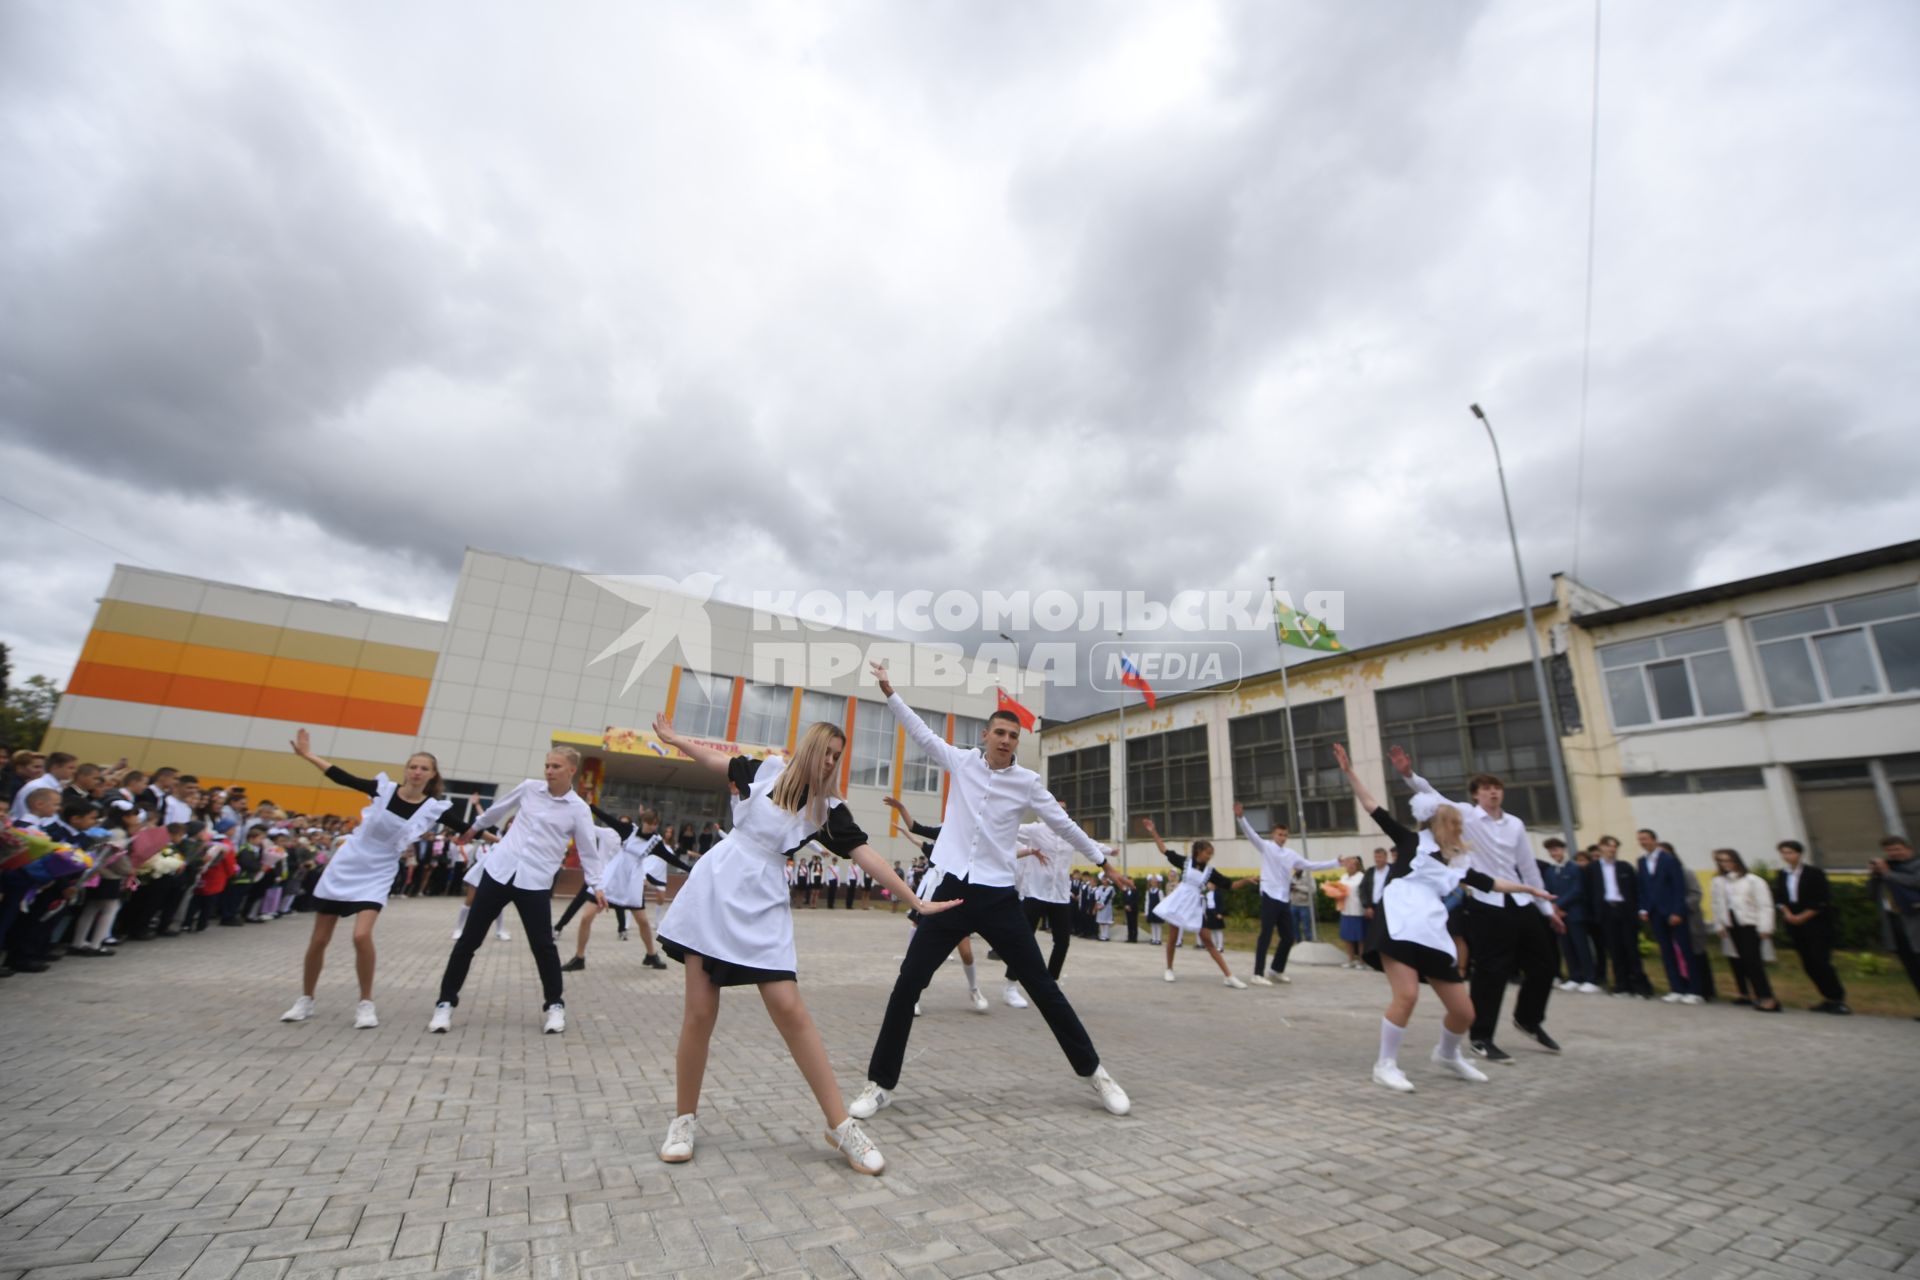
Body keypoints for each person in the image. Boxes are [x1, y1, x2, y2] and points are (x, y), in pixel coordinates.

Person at [650, 713, 947, 1175]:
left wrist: (914, 899)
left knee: (790, 1009)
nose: (830, 761)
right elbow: (715, 759)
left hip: (763, 902)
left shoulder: (827, 811)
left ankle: (840, 1125)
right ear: (809, 748)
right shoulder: (764, 772)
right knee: (701, 1012)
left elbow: (866, 855)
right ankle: (683, 1120)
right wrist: (673, 740)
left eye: (837, 756)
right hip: (715, 890)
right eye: (825, 751)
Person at [848, 662, 1135, 1124]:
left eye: (1012, 735)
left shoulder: (1028, 783)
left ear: (1017, 743)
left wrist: (1104, 862)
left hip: (1000, 897)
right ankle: (880, 1085)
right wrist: (890, 693)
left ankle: (1096, 1073)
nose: (1005, 740)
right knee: (908, 983)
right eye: (999, 732)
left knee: (1043, 987)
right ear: (985, 736)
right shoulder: (960, 762)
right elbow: (922, 734)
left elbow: (1063, 825)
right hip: (951, 891)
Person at [1335, 745, 1553, 1093]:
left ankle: (1447, 1055)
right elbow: (1372, 805)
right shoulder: (1408, 841)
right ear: (1439, 823)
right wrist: (1349, 772)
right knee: (1406, 996)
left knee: (1464, 1012)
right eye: (1455, 823)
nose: (1460, 829)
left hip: (1432, 929)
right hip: (1398, 922)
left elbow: (1490, 882)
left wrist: (1531, 889)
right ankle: (1385, 1064)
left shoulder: (1457, 862)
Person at [279, 730, 467, 1029]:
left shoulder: (433, 808)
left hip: (379, 870)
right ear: (406, 769)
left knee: (361, 936)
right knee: (319, 940)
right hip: (348, 863)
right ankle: (305, 999)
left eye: (424, 768)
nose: (417, 772)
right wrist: (307, 755)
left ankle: (366, 1004)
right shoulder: (383, 789)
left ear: (433, 776)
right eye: (413, 766)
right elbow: (342, 776)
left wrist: (509, 841)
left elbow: (471, 828)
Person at [1388, 747, 1564, 1062]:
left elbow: (1528, 866)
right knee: (1492, 971)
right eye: (1485, 789)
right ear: (1476, 795)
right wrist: (1407, 774)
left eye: (1496, 788)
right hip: (1486, 902)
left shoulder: (1515, 825)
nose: (1492, 793)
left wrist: (1547, 907)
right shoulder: (1467, 815)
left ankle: (1528, 1018)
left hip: (1520, 900)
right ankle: (1482, 1037)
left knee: (1545, 964)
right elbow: (1432, 794)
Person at [429, 748, 607, 1036]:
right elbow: (497, 810)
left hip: (534, 880)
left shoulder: (578, 809)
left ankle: (554, 1006)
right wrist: (473, 829)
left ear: (571, 770)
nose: (549, 770)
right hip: (499, 871)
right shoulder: (528, 788)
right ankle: (445, 1003)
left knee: (543, 946)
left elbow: (588, 851)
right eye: (547, 765)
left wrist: (597, 886)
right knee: (469, 940)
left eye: (556, 766)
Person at [883, 796, 990, 1015]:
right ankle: (912, 996)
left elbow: (1001, 853)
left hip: (959, 898)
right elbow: (916, 827)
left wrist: (1026, 852)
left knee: (967, 953)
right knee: (923, 954)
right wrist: (902, 807)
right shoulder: (946, 831)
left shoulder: (979, 834)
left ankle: (974, 989)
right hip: (935, 895)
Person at [569, 804, 688, 972]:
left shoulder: (655, 843)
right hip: (611, 878)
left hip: (631, 883)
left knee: (643, 922)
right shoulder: (628, 830)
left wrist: (692, 869)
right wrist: (589, 806)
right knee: (586, 917)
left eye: (654, 824)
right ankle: (579, 958)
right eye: (648, 823)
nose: (651, 827)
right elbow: (606, 818)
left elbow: (672, 859)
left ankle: (651, 955)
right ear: (643, 821)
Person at [1233, 803, 1340, 986]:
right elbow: (1251, 835)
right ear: (1273, 834)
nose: (1282, 838)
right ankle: (1257, 973)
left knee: (1289, 936)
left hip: (1283, 898)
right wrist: (1241, 818)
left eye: (1285, 835)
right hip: (1269, 894)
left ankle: (1276, 970)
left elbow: (1310, 865)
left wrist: (1335, 862)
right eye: (1279, 834)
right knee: (1265, 934)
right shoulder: (1266, 847)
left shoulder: (1291, 854)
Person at [1145, 818, 1246, 988]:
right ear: (1199, 851)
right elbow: (1164, 850)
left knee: (1207, 940)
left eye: (1211, 854)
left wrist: (1247, 881)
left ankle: (1229, 976)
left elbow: (1231, 884)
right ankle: (1169, 969)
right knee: (1173, 936)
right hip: (1179, 901)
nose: (1210, 856)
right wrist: (1153, 831)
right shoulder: (1185, 862)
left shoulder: (1210, 871)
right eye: (1208, 853)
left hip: (1194, 905)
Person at [1772, 840, 1849, 1014]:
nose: (1787, 856)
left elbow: (1821, 900)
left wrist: (1803, 916)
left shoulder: (1814, 873)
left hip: (1815, 922)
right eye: (1783, 853)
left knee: (1820, 960)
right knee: (1808, 963)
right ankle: (1826, 997)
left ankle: (1837, 998)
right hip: (1794, 921)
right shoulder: (1783, 874)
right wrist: (1787, 913)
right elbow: (1779, 898)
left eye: (1790, 852)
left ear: (1799, 854)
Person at [1709, 849, 1780, 1013]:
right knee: (1741, 962)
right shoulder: (1719, 881)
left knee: (1753, 962)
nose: (1725, 864)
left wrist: (1765, 927)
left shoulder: (1753, 880)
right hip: (1731, 925)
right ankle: (1753, 995)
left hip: (1750, 924)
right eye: (1721, 861)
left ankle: (1768, 998)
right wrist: (1719, 925)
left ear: (1736, 861)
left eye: (1728, 860)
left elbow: (1765, 905)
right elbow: (1717, 904)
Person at [1635, 830, 1701, 1004]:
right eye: (1640, 840)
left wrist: (1678, 911)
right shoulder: (1642, 862)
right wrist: (1643, 909)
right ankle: (1676, 987)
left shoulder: (1668, 859)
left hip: (1672, 911)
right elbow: (1643, 887)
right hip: (1655, 912)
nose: (1643, 842)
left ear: (1654, 840)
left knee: (1685, 950)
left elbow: (1679, 887)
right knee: (1666, 951)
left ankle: (1694, 989)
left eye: (1646, 839)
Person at [1587, 838, 1649, 997]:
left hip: (1625, 910)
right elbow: (1588, 892)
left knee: (1631, 949)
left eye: (1615, 846)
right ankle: (1621, 985)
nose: (1612, 849)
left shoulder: (1625, 867)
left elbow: (1636, 889)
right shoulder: (1592, 869)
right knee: (1615, 950)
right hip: (1606, 911)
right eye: (1608, 846)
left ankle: (1640, 986)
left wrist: (1638, 909)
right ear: (1600, 847)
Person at [1867, 836, 1920, 1016]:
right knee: (1912, 966)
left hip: (1915, 921)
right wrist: (1875, 874)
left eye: (1897, 849)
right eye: (1889, 850)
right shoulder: (1888, 868)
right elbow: (1872, 894)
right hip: (1894, 921)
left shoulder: (1916, 865)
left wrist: (1888, 873)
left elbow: (1916, 882)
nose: (1893, 853)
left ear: (1908, 849)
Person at [1540, 839, 1596, 993]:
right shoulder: (1550, 871)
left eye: (1556, 850)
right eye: (1551, 851)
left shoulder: (1574, 868)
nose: (1554, 853)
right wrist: (1553, 907)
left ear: (1563, 849)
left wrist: (1560, 905)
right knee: (1567, 947)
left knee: (1581, 945)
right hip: (1559, 915)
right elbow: (1548, 891)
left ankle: (1590, 978)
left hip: (1574, 913)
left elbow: (1577, 890)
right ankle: (1574, 976)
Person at [1333, 855, 1367, 968]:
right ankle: (1351, 959)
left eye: (1353, 864)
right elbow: (1338, 890)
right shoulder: (1343, 877)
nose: (1350, 866)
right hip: (1345, 910)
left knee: (1360, 938)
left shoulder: (1361, 877)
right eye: (1348, 864)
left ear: (1357, 866)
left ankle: (1362, 961)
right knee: (1347, 937)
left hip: (1357, 910)